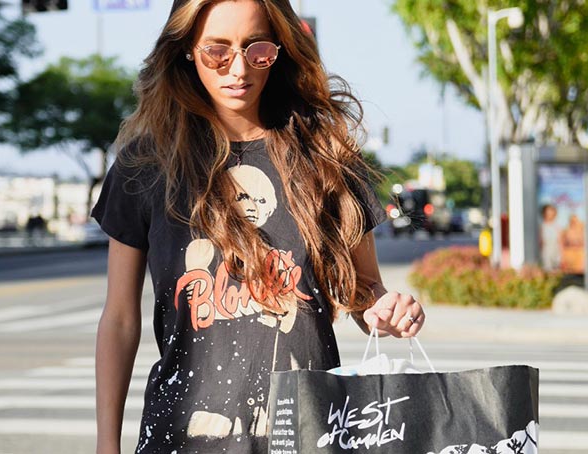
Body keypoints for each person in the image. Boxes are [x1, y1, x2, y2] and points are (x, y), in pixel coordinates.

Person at [90, 1, 425, 452]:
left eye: (257, 49)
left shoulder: (325, 158)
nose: (239, 68)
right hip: (183, 439)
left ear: (280, 49)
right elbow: (119, 319)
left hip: (308, 434)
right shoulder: (146, 165)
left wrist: (387, 311)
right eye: (217, 52)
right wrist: (106, 444)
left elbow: (366, 293)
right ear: (187, 49)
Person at [539, 204, 561, 271]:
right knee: (547, 268)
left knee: (556, 268)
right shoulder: (542, 226)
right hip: (546, 251)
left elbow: (560, 241)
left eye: (551, 213)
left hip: (556, 251)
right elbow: (540, 241)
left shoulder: (557, 226)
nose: (549, 215)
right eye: (547, 213)